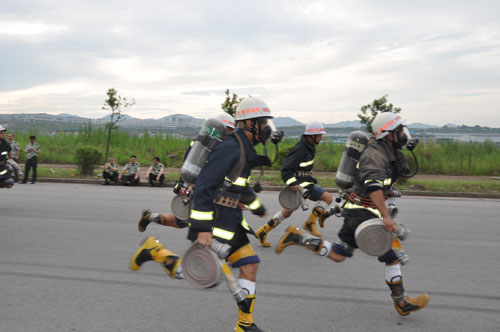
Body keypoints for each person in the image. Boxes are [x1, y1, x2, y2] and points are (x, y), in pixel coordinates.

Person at [131, 98, 278, 331]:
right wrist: (202, 229)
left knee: (249, 264)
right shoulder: (230, 147)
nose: (267, 128)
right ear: (250, 123)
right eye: (263, 122)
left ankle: (244, 324)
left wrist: (258, 207)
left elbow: (238, 184)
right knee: (203, 275)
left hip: (230, 218)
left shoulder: (242, 148)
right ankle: (155, 251)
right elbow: (204, 187)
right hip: (216, 219)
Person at [275, 112, 429, 317]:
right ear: (389, 134)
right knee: (390, 257)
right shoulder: (375, 154)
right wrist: (386, 216)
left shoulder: (388, 150)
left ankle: (298, 237)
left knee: (339, 254)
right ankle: (401, 303)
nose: (404, 134)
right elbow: (373, 186)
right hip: (363, 212)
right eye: (400, 131)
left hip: (359, 211)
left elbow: (386, 182)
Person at [137, 113, 236, 232]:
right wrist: (191, 185)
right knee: (182, 221)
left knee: (195, 221)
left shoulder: (220, 146)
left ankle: (150, 216)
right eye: (225, 132)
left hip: (206, 188)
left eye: (230, 132)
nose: (227, 136)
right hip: (192, 185)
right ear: (218, 130)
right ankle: (149, 217)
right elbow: (191, 164)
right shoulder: (203, 144)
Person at [256, 122, 335, 246]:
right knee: (328, 198)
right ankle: (310, 223)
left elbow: (304, 169)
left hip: (306, 184)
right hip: (301, 186)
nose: (321, 137)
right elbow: (286, 169)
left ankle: (263, 231)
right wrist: (293, 184)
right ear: (311, 136)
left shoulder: (309, 146)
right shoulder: (300, 149)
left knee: (287, 212)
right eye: (319, 135)